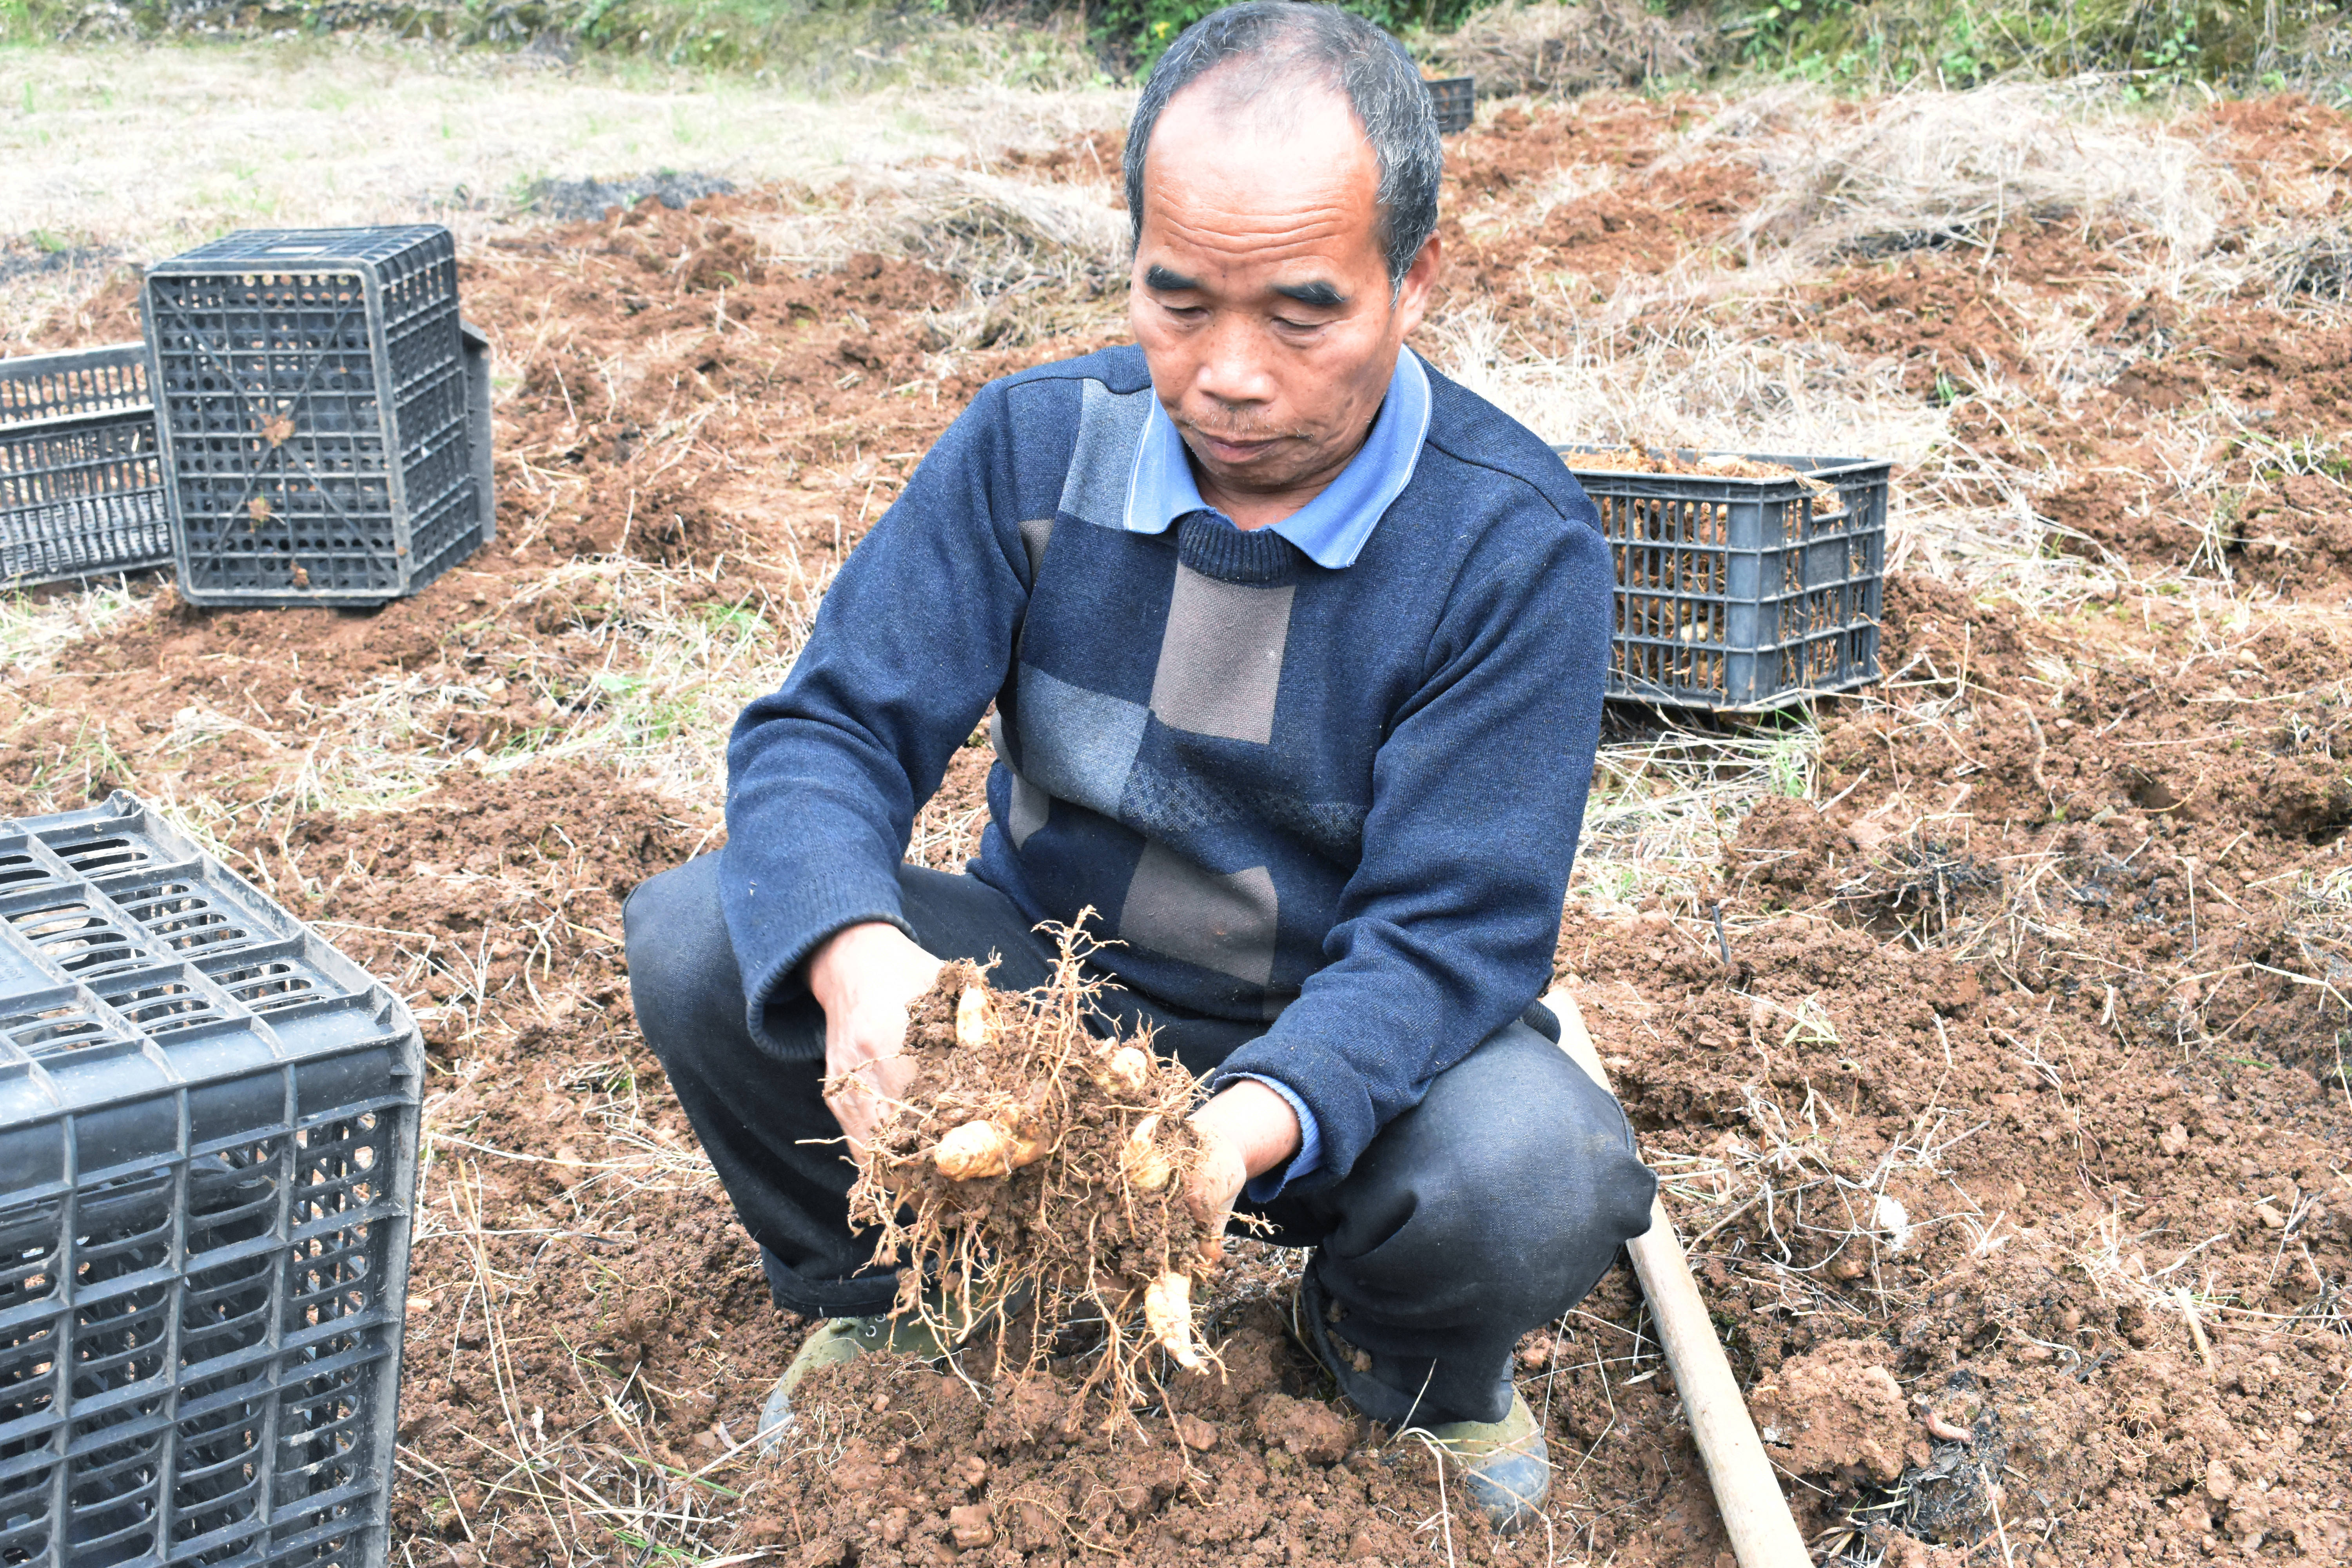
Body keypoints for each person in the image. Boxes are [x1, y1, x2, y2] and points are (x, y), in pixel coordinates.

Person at [622, 0, 1656, 1532]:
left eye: (1302, 314)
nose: (1230, 373)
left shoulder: (1508, 545)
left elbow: (1448, 938)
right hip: (1055, 1011)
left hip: (1336, 1052)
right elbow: (826, 733)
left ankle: (1385, 1353)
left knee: (1536, 1167)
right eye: (1181, 303)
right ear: (1134, 261)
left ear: (1412, 280)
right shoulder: (1035, 448)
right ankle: (907, 1291)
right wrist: (860, 972)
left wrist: (1232, 1131)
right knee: (720, 934)